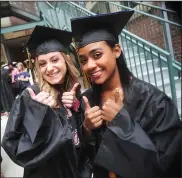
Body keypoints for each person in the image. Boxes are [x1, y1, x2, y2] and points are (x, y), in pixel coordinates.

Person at [71, 11, 182, 178]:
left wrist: (122, 123)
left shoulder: (154, 101)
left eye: (97, 55)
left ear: (116, 50)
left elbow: (167, 165)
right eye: (84, 60)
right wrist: (86, 130)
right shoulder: (88, 100)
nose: (90, 66)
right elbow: (84, 159)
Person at [2, 25, 83, 178]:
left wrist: (77, 107)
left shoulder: (71, 91)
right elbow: (12, 145)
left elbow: (79, 136)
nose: (49, 68)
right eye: (43, 63)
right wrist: (38, 114)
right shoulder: (31, 95)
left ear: (66, 61)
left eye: (54, 60)